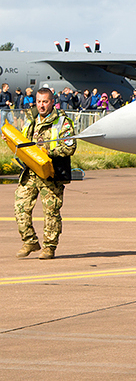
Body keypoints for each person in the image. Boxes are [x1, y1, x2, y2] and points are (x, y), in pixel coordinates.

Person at [14, 87, 76, 260]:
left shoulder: (62, 122)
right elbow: (24, 141)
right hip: (30, 172)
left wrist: (47, 151)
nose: (41, 106)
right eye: (39, 102)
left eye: (45, 102)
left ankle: (49, 247)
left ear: (52, 102)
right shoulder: (30, 119)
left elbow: (70, 146)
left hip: (50, 173)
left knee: (51, 213)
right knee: (20, 207)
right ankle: (30, 241)